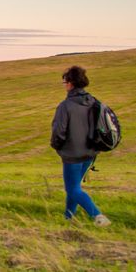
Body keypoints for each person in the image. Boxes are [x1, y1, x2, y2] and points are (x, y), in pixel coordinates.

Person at [51, 65, 111, 227]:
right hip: (90, 152)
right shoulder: (93, 101)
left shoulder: (65, 106)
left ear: (70, 83)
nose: (64, 85)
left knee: (72, 189)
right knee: (74, 187)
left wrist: (57, 147)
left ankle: (97, 215)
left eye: (64, 82)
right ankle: (68, 218)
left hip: (72, 154)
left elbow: (58, 132)